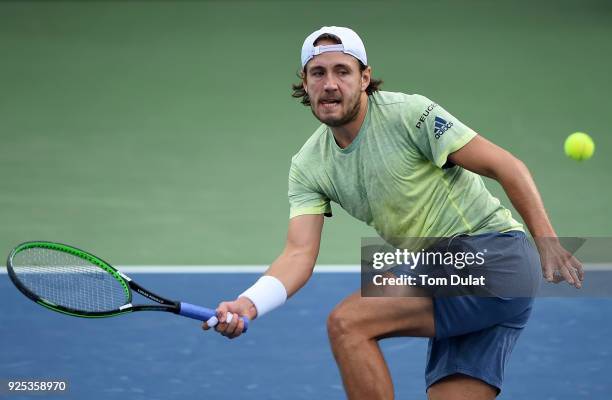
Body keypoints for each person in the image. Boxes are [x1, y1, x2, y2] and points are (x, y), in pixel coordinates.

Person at [202, 26, 584, 400]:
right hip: (449, 279)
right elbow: (298, 254)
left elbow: (507, 166)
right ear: (304, 82)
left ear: (365, 78)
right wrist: (250, 302)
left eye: (342, 71)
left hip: (493, 258)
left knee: (348, 323)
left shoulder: (410, 115)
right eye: (318, 73)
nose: (329, 84)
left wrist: (546, 240)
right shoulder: (308, 166)